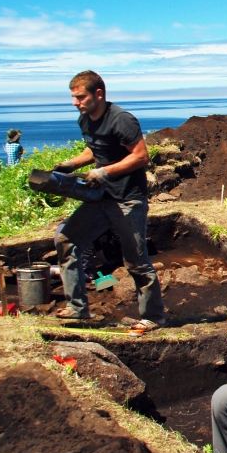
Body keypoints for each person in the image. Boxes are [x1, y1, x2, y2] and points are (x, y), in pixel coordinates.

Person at [51, 70, 166, 330]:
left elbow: (140, 157)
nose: (75, 103)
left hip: (128, 199)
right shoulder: (85, 119)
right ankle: (77, 308)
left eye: (80, 97)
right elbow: (96, 149)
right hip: (101, 196)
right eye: (73, 97)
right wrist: (72, 164)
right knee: (67, 239)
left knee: (136, 261)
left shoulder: (122, 120)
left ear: (98, 94)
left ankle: (153, 316)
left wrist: (104, 172)